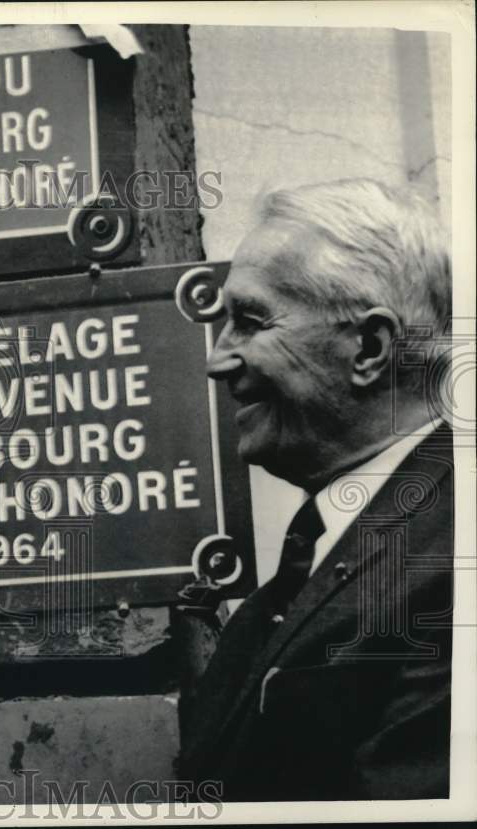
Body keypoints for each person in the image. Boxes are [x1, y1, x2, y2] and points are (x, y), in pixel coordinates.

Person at [177, 178, 454, 801]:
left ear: (369, 348)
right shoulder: (302, 570)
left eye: (249, 321)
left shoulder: (457, 554)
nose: (216, 361)